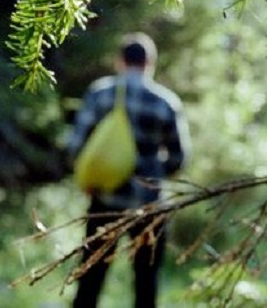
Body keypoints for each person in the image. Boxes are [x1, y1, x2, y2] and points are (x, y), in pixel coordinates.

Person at [69, 32, 190, 308]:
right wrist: (154, 173)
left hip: (104, 200)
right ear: (151, 63)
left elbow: (76, 146)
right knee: (146, 283)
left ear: (120, 61)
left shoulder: (100, 93)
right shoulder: (166, 102)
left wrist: (91, 176)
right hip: (151, 205)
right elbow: (179, 158)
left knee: (90, 278)